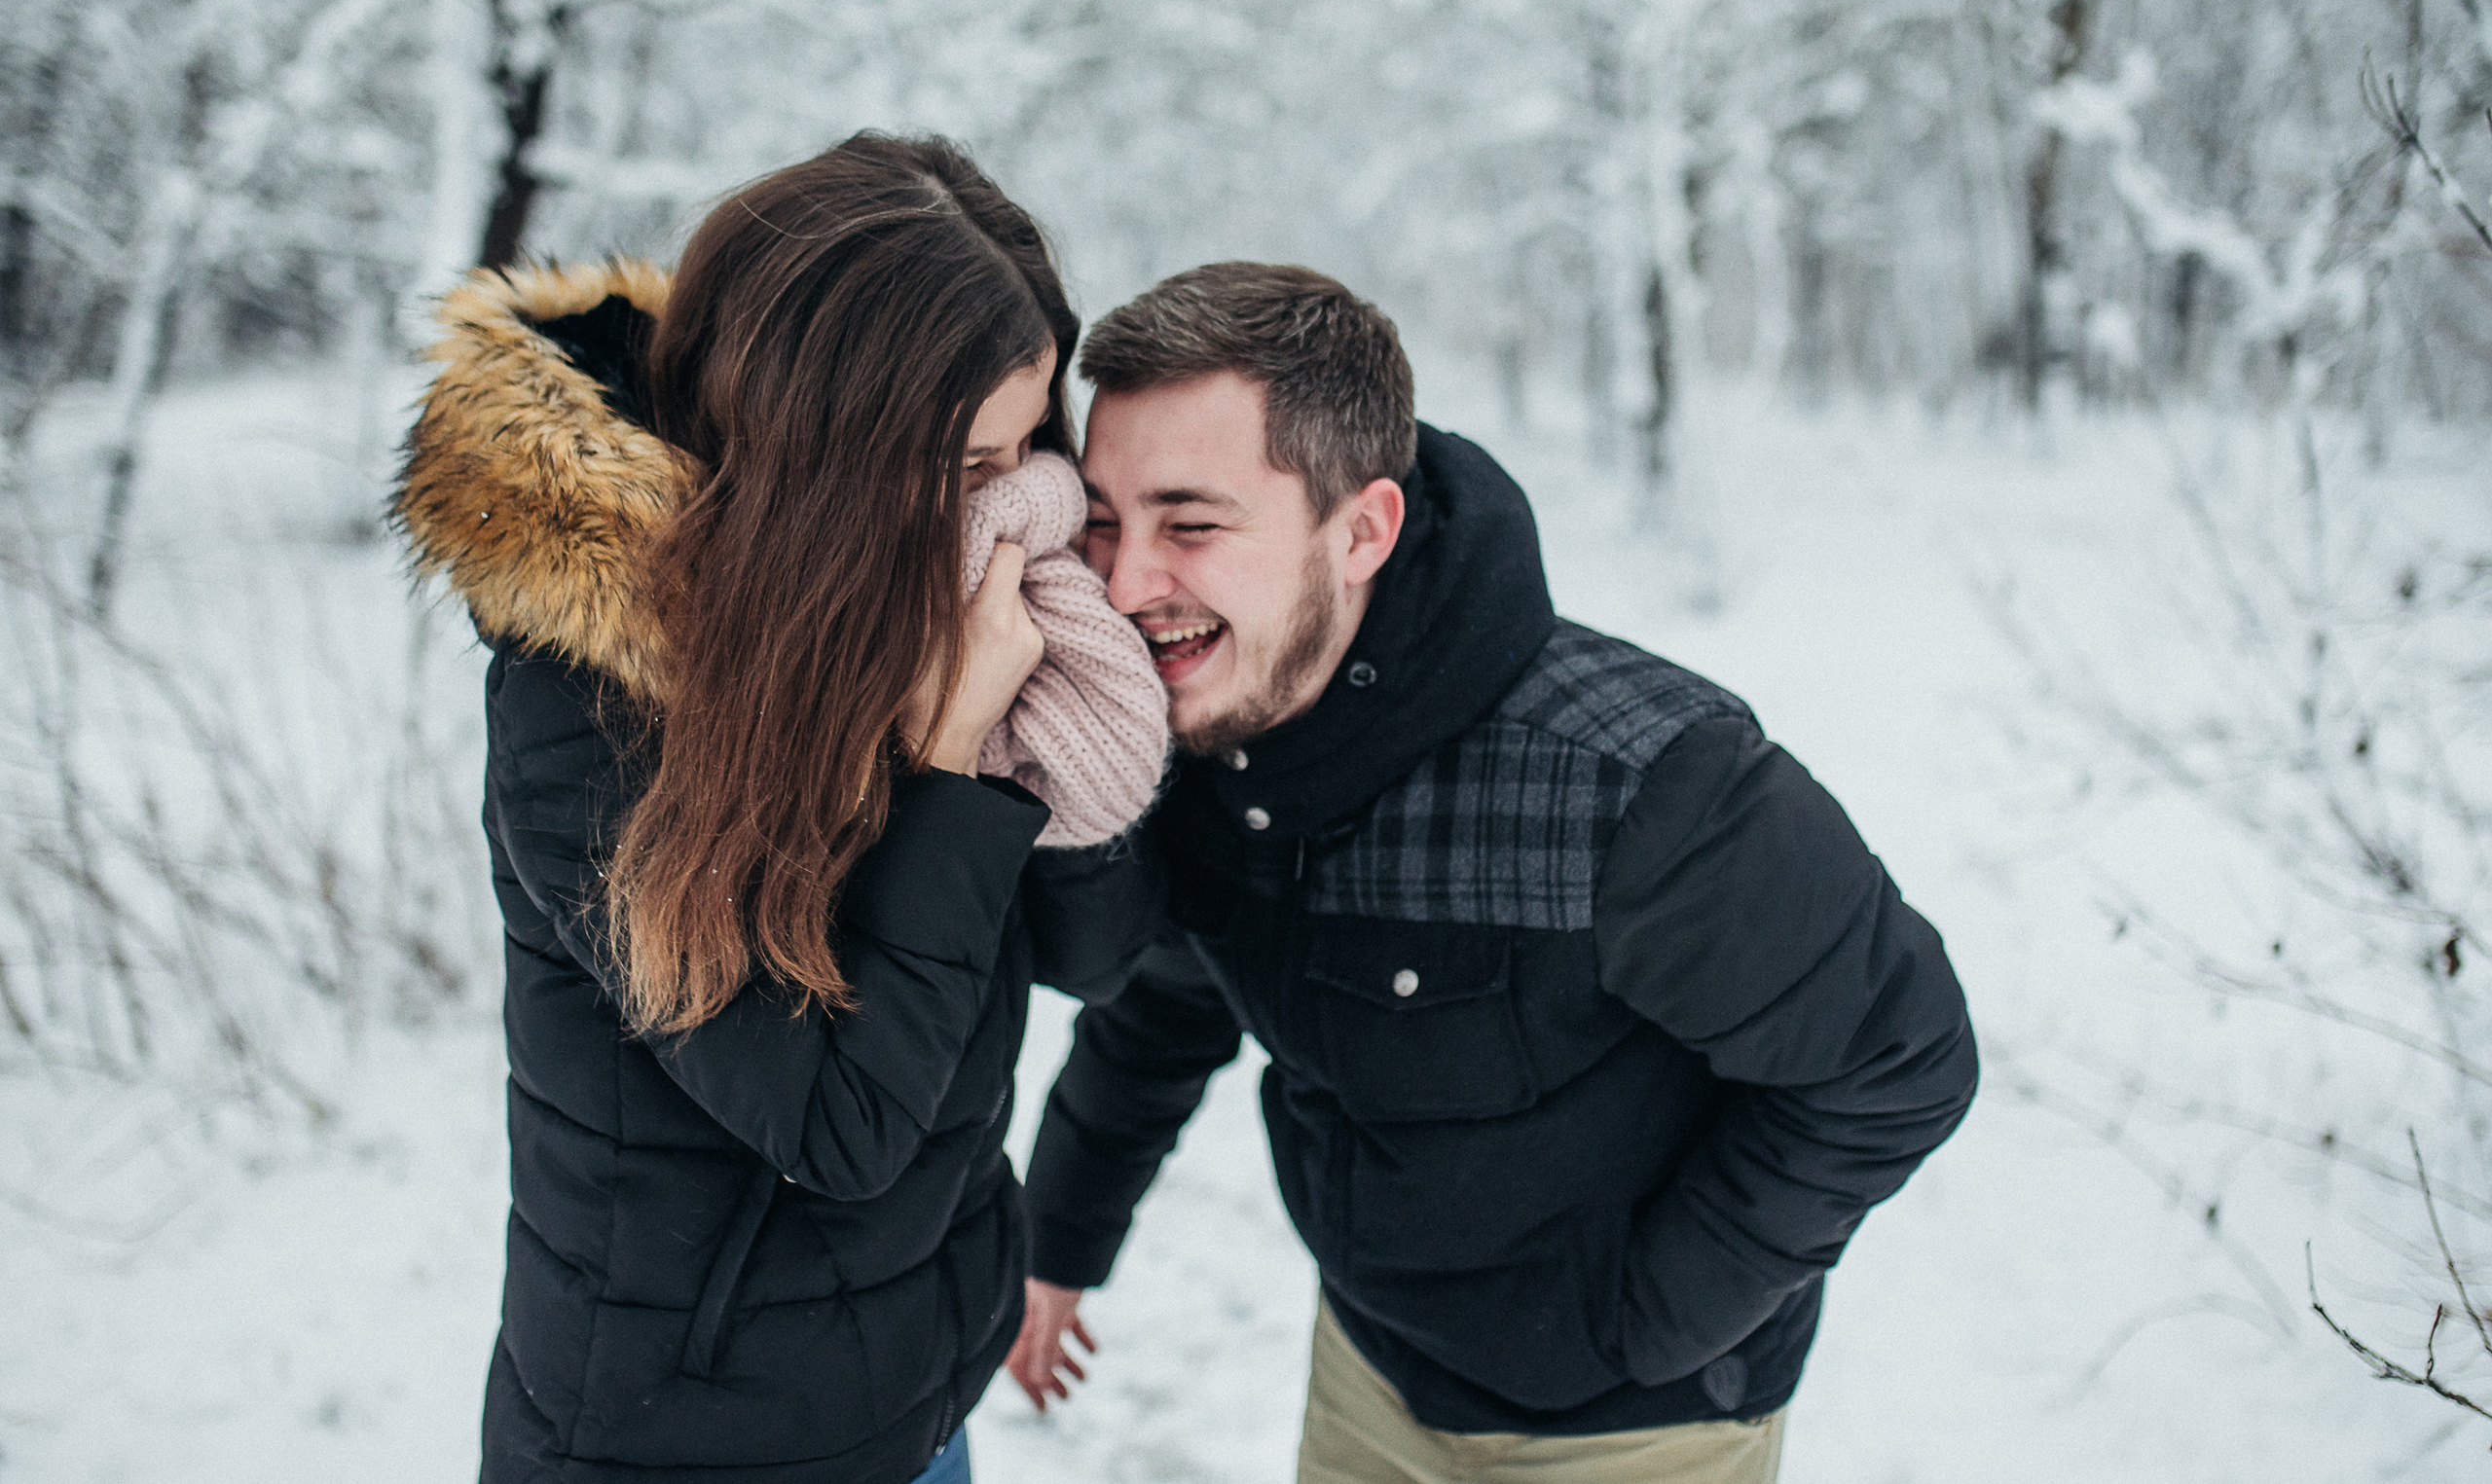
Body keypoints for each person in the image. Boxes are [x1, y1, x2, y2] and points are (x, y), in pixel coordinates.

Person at [1005, 263, 1979, 1484]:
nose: (1123, 582)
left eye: (1190, 523)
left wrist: (1642, 1324)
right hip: (1370, 1373)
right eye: (1104, 519)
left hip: (1635, 1431)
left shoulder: (1638, 783)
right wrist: (1061, 1232)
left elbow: (1898, 1054)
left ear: (1361, 530)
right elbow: (1173, 988)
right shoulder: (1212, 731)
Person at [394, 133, 1165, 1484]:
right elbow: (839, 1126)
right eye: (969, 470)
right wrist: (951, 760)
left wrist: (1060, 699)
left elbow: (1098, 956)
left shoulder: (918, 612)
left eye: (1029, 453)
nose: (1013, 509)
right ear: (824, 448)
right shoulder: (591, 707)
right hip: (688, 1447)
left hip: (923, 1400)